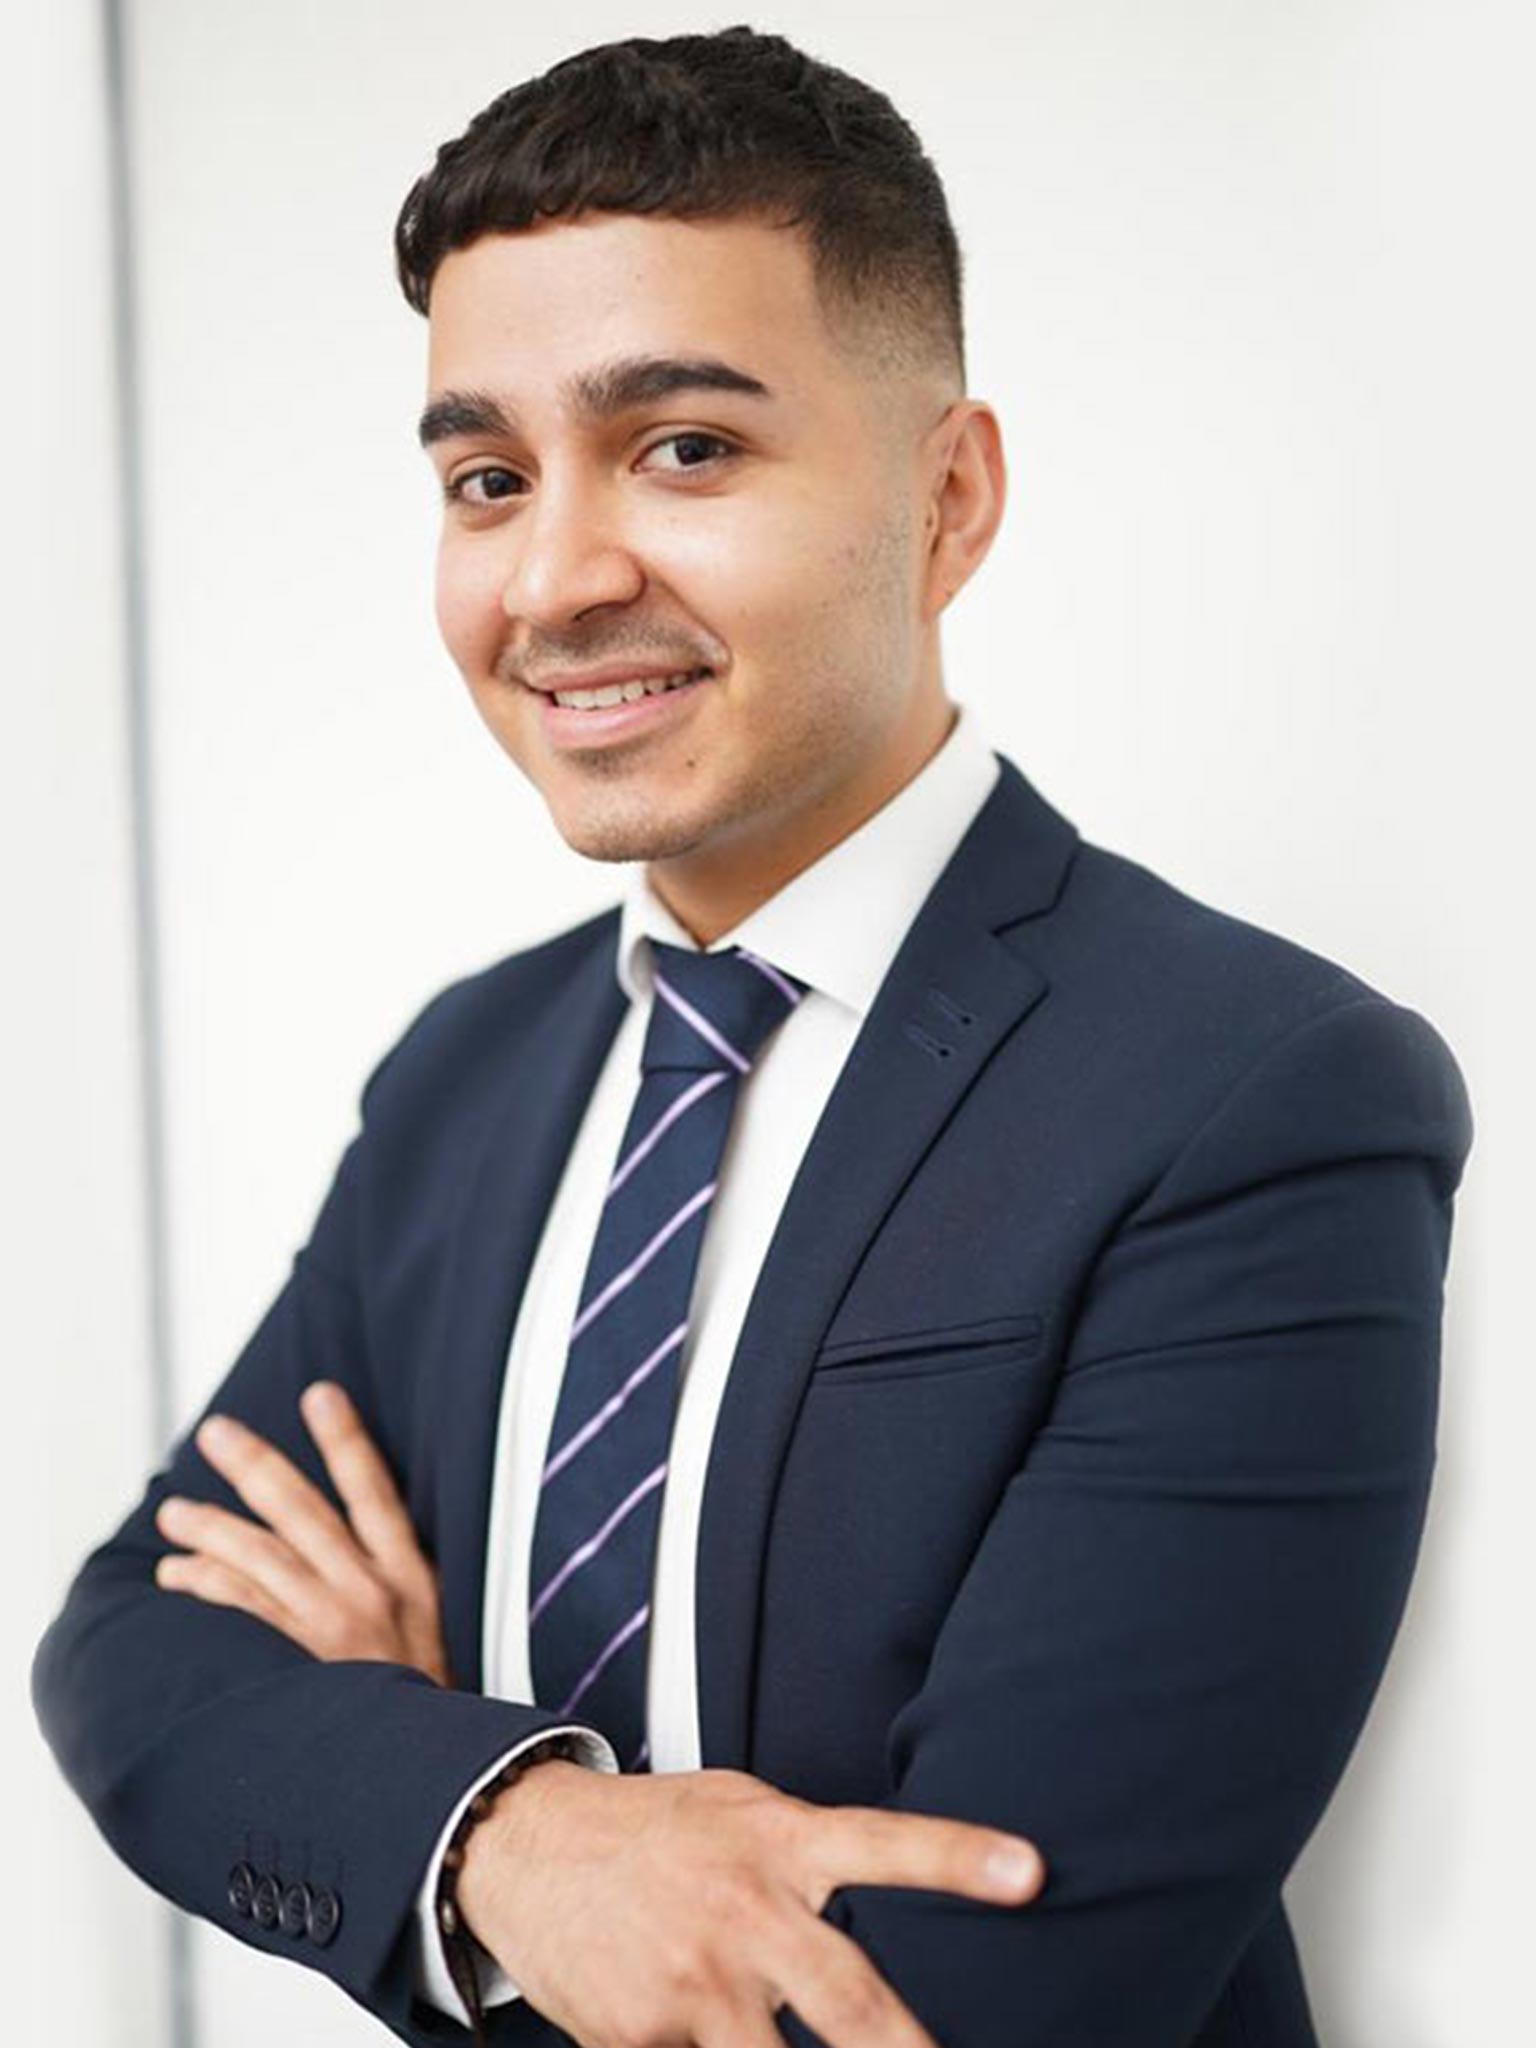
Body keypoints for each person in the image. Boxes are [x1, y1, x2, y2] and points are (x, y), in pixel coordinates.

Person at [32, 25, 1473, 2048]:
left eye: (686, 448)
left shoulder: (1251, 1097)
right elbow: (132, 1648)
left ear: (950, 497)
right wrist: (506, 1829)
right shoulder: (465, 1077)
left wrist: (392, 1772)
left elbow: (980, 1995)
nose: (557, 578)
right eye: (487, 479)